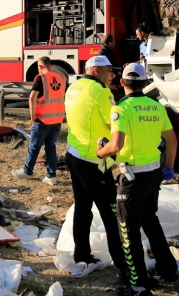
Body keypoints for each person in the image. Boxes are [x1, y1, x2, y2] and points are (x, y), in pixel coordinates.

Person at [97, 63, 179, 295]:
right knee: (151, 221)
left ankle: (138, 285)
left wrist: (100, 152)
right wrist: (169, 167)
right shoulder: (156, 106)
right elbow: (172, 140)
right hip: (154, 174)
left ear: (122, 83)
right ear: (145, 83)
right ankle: (168, 269)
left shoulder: (121, 109)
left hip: (132, 177)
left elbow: (116, 145)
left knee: (127, 231)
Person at [63, 55, 127, 281]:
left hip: (74, 153)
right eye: (110, 71)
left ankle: (82, 255)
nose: (113, 75)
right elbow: (115, 124)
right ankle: (124, 264)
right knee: (111, 213)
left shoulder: (75, 86)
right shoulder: (101, 92)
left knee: (82, 206)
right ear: (98, 70)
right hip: (93, 160)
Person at [12, 56, 66, 185]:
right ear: (51, 65)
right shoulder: (62, 78)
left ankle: (27, 172)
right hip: (57, 119)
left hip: (43, 119)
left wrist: (33, 116)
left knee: (34, 147)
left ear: (40, 67)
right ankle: (51, 176)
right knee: (51, 148)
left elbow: (32, 98)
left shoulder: (41, 78)